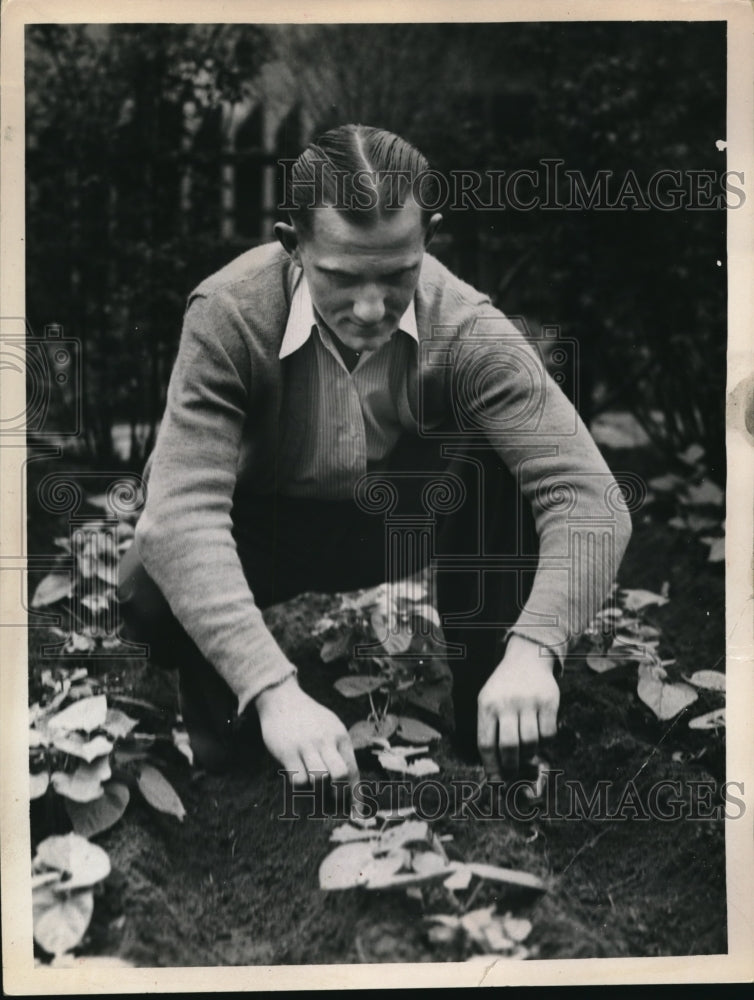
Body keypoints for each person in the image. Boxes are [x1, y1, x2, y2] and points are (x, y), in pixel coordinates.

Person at [118, 124, 632, 792]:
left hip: (397, 523)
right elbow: (179, 517)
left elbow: (587, 494)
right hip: (263, 532)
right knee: (147, 591)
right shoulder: (229, 315)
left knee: (499, 466)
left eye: (397, 275)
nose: (370, 308)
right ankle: (235, 764)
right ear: (292, 245)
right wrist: (275, 689)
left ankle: (494, 738)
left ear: (429, 237)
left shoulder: (468, 327)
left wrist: (536, 649)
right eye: (340, 277)